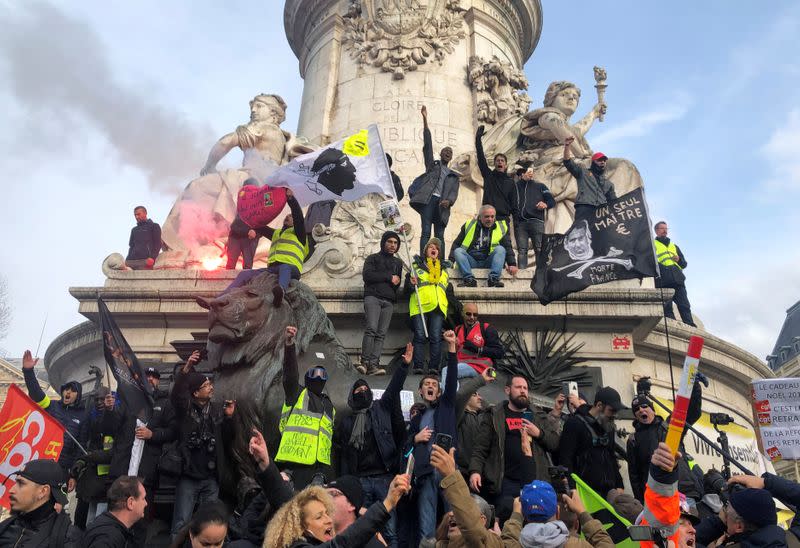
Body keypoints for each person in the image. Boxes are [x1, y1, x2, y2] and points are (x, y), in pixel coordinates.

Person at [334, 343, 413, 547]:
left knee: (390, 529)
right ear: (353, 397)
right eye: (358, 390)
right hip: (361, 481)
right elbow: (344, 456)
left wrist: (404, 366)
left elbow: (394, 388)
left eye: (364, 388)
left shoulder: (381, 407)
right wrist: (343, 484)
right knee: (365, 529)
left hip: (384, 478)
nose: (362, 391)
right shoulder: (347, 422)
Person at [468, 375, 559, 523]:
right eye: (518, 387)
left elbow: (554, 443)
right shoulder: (494, 415)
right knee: (508, 522)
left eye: (525, 388)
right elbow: (480, 447)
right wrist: (475, 471)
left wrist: (539, 433)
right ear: (507, 390)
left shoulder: (538, 415)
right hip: (505, 482)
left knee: (534, 523)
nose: (523, 391)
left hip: (534, 480)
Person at [169, 352, 236, 538]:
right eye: (205, 385)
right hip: (189, 477)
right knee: (181, 523)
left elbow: (228, 438)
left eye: (210, 384)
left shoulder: (216, 410)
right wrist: (187, 367)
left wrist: (229, 417)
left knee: (210, 524)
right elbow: (177, 393)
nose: (211, 387)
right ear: (195, 392)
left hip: (211, 479)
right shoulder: (185, 408)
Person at [406, 331, 460, 544]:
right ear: (420, 391)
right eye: (426, 384)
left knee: (455, 521)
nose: (430, 386)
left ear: (439, 392)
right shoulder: (416, 417)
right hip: (426, 473)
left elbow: (453, 374)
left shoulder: (446, 406)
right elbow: (405, 445)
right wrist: (415, 438)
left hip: (447, 469)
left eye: (434, 385)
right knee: (426, 527)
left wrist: (452, 347)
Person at [262, 474, 411, 548]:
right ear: (303, 528)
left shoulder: (372, 543)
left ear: (352, 505)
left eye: (333, 494)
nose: (328, 519)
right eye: (319, 517)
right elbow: (342, 543)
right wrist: (387, 504)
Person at [224, 189, 308, 307]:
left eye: (290, 216)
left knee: (285, 267)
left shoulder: (299, 233)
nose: (288, 217)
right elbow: (259, 226)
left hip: (291, 269)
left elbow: (298, 216)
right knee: (244, 274)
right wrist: (249, 213)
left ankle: (281, 292)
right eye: (287, 215)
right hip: (272, 269)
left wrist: (291, 199)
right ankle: (221, 297)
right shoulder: (276, 233)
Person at [275, 325, 335, 489]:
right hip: (294, 467)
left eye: (322, 375)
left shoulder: (329, 406)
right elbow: (290, 374)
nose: (318, 377)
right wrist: (289, 345)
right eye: (313, 373)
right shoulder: (298, 393)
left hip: (317, 471)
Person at [626, 382, 704, 503]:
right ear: (635, 416)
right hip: (657, 498)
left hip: (683, 492)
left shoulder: (669, 425)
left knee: (687, 523)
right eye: (636, 409)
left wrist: (694, 386)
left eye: (644, 406)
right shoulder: (633, 440)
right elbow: (634, 475)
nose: (641, 410)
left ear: (653, 410)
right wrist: (641, 502)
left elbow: (691, 411)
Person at [22, 350, 89, 476]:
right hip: (42, 461)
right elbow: (37, 393)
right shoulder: (51, 405)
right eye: (66, 390)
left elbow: (81, 445)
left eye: (72, 391)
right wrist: (28, 371)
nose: (68, 393)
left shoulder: (83, 416)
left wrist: (73, 475)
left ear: (78, 395)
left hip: (62, 468)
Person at [694, 471, 799, 548]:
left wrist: (718, 522)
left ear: (739, 526)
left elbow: (683, 540)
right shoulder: (793, 540)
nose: (724, 512)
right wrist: (765, 482)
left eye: (726, 510)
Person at [429, 444, 504, 548]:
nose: (451, 514)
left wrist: (451, 476)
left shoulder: (489, 544)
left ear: (482, 520)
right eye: (455, 509)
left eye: (462, 510)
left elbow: (473, 529)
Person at [409, 105, 460, 257]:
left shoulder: (454, 176)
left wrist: (449, 202)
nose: (448, 152)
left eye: (450, 152)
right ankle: (424, 259)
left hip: (442, 205)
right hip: (428, 200)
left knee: (439, 235)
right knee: (425, 231)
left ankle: (441, 261)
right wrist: (425, 120)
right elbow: (428, 146)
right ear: (441, 154)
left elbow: (454, 193)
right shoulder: (432, 165)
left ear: (451, 157)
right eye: (445, 150)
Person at [500, 481, 615, 548]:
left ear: (524, 515)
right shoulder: (576, 545)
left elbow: (508, 541)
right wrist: (582, 512)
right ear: (557, 512)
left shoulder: (514, 545)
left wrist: (515, 517)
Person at [558, 387, 626, 497]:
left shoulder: (608, 427)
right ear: (599, 405)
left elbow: (611, 457)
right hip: (585, 493)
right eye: (612, 410)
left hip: (609, 493)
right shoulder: (575, 424)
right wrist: (571, 489)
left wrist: (620, 485)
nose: (615, 415)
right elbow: (566, 459)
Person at [0, 459, 81, 547]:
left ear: (43, 491)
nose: (11, 490)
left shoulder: (66, 539)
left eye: (21, 483)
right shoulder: (7, 526)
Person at [359, 230, 404, 375]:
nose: (392, 245)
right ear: (383, 242)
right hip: (373, 297)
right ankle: (364, 362)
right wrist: (388, 277)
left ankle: (374, 364)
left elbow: (397, 283)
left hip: (389, 300)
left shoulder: (398, 263)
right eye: (390, 242)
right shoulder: (373, 258)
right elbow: (367, 275)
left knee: (381, 333)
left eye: (395, 243)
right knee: (371, 328)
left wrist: (400, 281)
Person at [407, 238, 450, 374]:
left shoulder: (444, 271)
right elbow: (406, 290)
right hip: (420, 305)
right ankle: (418, 366)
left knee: (436, 336)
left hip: (438, 306)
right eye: (431, 247)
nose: (434, 249)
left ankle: (433, 367)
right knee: (419, 335)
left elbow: (448, 291)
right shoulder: (415, 267)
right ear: (426, 251)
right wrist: (410, 283)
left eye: (436, 248)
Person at [450, 205, 518, 288]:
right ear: (480, 217)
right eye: (487, 217)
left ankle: (493, 279)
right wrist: (450, 262)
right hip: (471, 262)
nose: (490, 219)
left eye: (492, 216)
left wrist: (512, 263)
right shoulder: (469, 225)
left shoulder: (501, 227)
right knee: (458, 251)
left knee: (500, 249)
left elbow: (507, 246)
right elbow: (456, 244)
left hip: (489, 261)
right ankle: (469, 280)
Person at [83, 476, 147, 547]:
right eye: (143, 498)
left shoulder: (107, 527)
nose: (146, 503)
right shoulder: (108, 538)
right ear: (130, 503)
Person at [654, 221, 696, 327]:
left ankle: (691, 326)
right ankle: (671, 326)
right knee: (667, 308)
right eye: (662, 228)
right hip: (663, 281)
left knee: (684, 305)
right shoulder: (652, 245)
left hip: (678, 280)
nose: (665, 230)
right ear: (656, 231)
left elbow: (684, 264)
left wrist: (678, 260)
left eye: (666, 228)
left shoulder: (674, 246)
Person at [448, 303, 505, 379]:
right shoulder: (457, 330)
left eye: (475, 315)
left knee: (448, 371)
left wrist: (478, 349)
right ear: (462, 313)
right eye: (468, 314)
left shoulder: (486, 328)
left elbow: (499, 352)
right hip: (462, 365)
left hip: (482, 368)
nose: (472, 317)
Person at [562, 137, 616, 217]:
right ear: (593, 162)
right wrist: (567, 146)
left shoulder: (609, 184)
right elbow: (568, 162)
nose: (603, 162)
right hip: (584, 207)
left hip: (601, 212)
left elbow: (614, 202)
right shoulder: (583, 173)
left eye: (604, 160)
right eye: (600, 160)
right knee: (581, 229)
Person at [514, 166, 555, 269]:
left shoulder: (541, 186)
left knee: (539, 248)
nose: (525, 174)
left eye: (527, 172)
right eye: (522, 174)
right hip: (520, 223)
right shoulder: (516, 186)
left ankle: (541, 273)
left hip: (537, 221)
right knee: (522, 250)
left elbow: (551, 201)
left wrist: (545, 204)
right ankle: (522, 274)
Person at [475, 125, 516, 224]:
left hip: (503, 219)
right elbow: (481, 157)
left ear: (506, 165)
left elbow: (514, 203)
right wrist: (478, 139)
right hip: (487, 217)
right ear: (494, 164)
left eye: (502, 161)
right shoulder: (489, 176)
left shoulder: (511, 182)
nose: (500, 162)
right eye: (497, 161)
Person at [226, 178, 261, 270]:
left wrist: (256, 233)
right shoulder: (241, 201)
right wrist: (248, 231)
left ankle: (246, 284)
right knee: (230, 264)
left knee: (248, 267)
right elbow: (234, 224)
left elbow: (264, 224)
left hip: (250, 239)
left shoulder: (262, 205)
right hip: (236, 236)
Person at [125, 205, 162, 270]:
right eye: (135, 215)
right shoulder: (134, 230)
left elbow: (158, 244)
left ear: (145, 213)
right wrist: (127, 260)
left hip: (147, 261)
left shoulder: (154, 226)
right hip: (133, 261)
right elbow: (131, 246)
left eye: (138, 214)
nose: (136, 217)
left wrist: (152, 258)